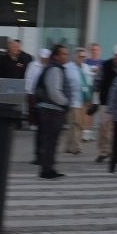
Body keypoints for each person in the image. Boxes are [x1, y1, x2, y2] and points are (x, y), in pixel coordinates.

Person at [31, 44, 75, 180]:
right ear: (56, 56)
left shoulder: (56, 68)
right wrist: (66, 102)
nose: (65, 56)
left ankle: (48, 168)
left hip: (51, 110)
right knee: (50, 141)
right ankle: (46, 170)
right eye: (63, 54)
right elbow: (54, 91)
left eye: (67, 54)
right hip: (51, 111)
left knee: (50, 141)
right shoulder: (55, 69)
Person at [94, 45, 117, 162]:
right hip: (106, 102)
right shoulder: (106, 65)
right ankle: (103, 152)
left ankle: (116, 152)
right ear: (114, 55)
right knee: (103, 128)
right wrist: (95, 100)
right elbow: (97, 81)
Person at [61, 49, 87, 155]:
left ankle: (69, 146)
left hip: (84, 101)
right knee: (75, 124)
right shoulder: (68, 68)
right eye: (80, 56)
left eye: (84, 57)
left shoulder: (86, 68)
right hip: (73, 101)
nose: (82, 58)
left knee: (79, 125)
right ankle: (76, 147)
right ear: (75, 57)